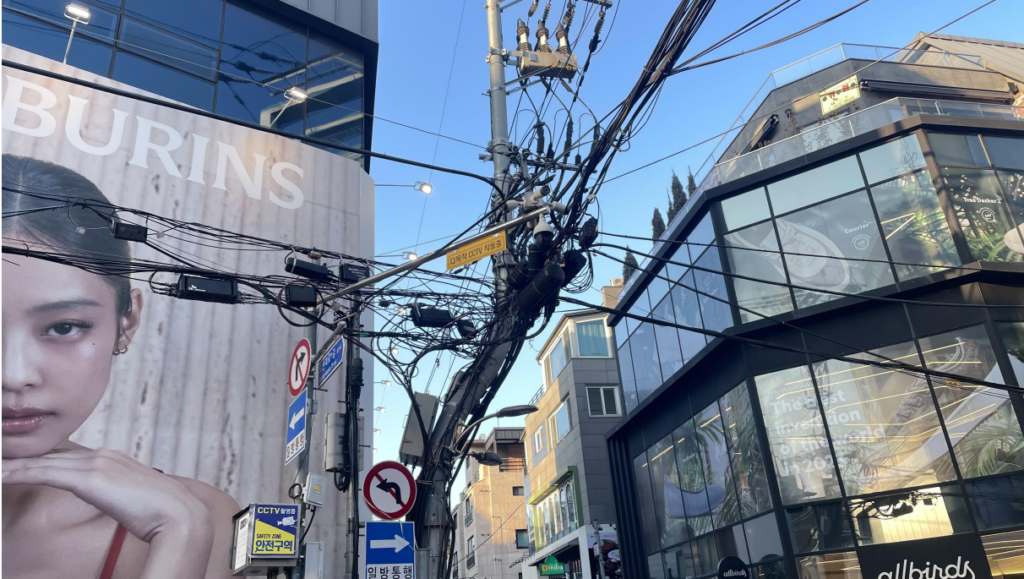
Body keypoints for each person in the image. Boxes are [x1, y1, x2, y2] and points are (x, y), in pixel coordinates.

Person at [2, 155, 240, 579]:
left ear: (125, 323)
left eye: (63, 327)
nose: (14, 374)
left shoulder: (199, 516)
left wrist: (180, 537)